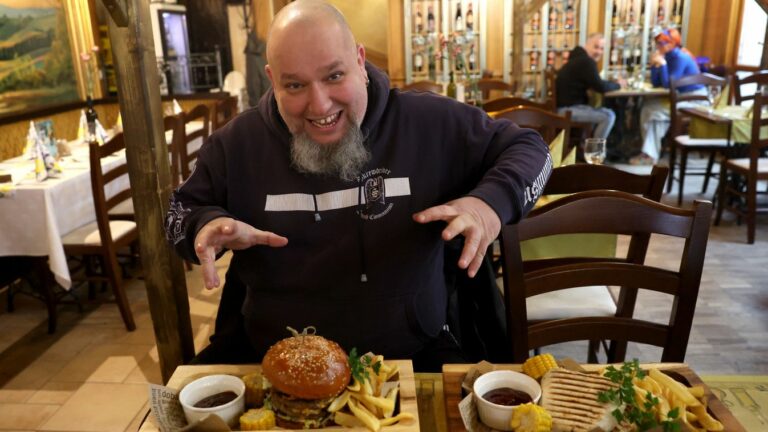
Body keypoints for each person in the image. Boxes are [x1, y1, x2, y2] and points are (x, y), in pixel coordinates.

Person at [165, 0, 550, 371]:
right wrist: (203, 225)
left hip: (413, 351)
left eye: (334, 76)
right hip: (268, 356)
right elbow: (178, 213)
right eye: (295, 86)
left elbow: (532, 149)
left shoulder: (427, 123)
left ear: (361, 62)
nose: (319, 105)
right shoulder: (236, 144)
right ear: (271, 79)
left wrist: (489, 205)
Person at [633, 28, 705, 165]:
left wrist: (663, 64)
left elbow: (668, 84)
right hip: (680, 97)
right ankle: (649, 152)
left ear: (673, 43)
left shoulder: (680, 58)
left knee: (654, 112)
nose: (659, 46)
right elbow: (656, 82)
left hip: (695, 100)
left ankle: (649, 154)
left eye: (663, 43)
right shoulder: (667, 56)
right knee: (649, 107)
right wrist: (655, 65)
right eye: (658, 43)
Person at [555, 33, 623, 141]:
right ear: (587, 45)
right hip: (567, 110)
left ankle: (590, 149)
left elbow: (598, 83)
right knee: (608, 116)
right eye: (596, 47)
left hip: (567, 107)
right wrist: (619, 84)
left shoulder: (578, 58)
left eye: (601, 49)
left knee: (603, 111)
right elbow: (601, 86)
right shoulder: (586, 62)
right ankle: (595, 153)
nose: (598, 52)